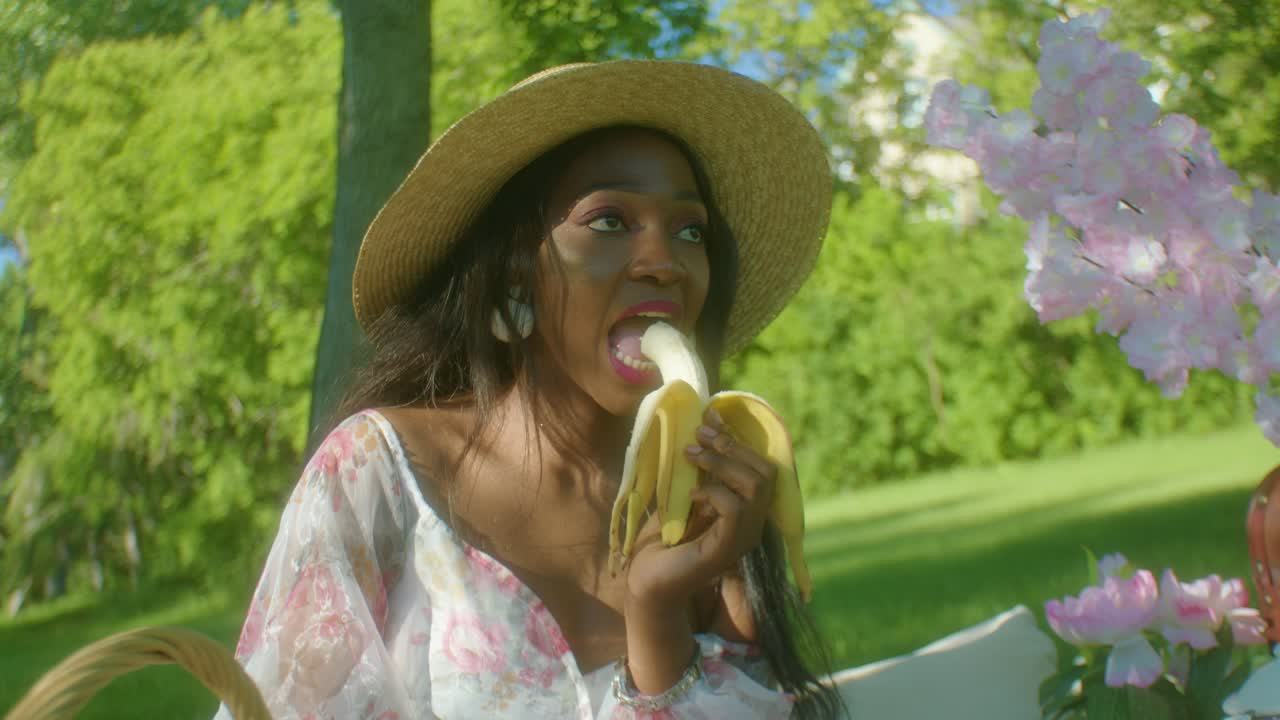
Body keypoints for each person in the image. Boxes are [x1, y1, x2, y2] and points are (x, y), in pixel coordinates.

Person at [218, 60, 844, 719]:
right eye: (609, 221)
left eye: (691, 231)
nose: (666, 263)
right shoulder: (381, 475)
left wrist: (657, 613)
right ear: (517, 270)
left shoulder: (707, 500)